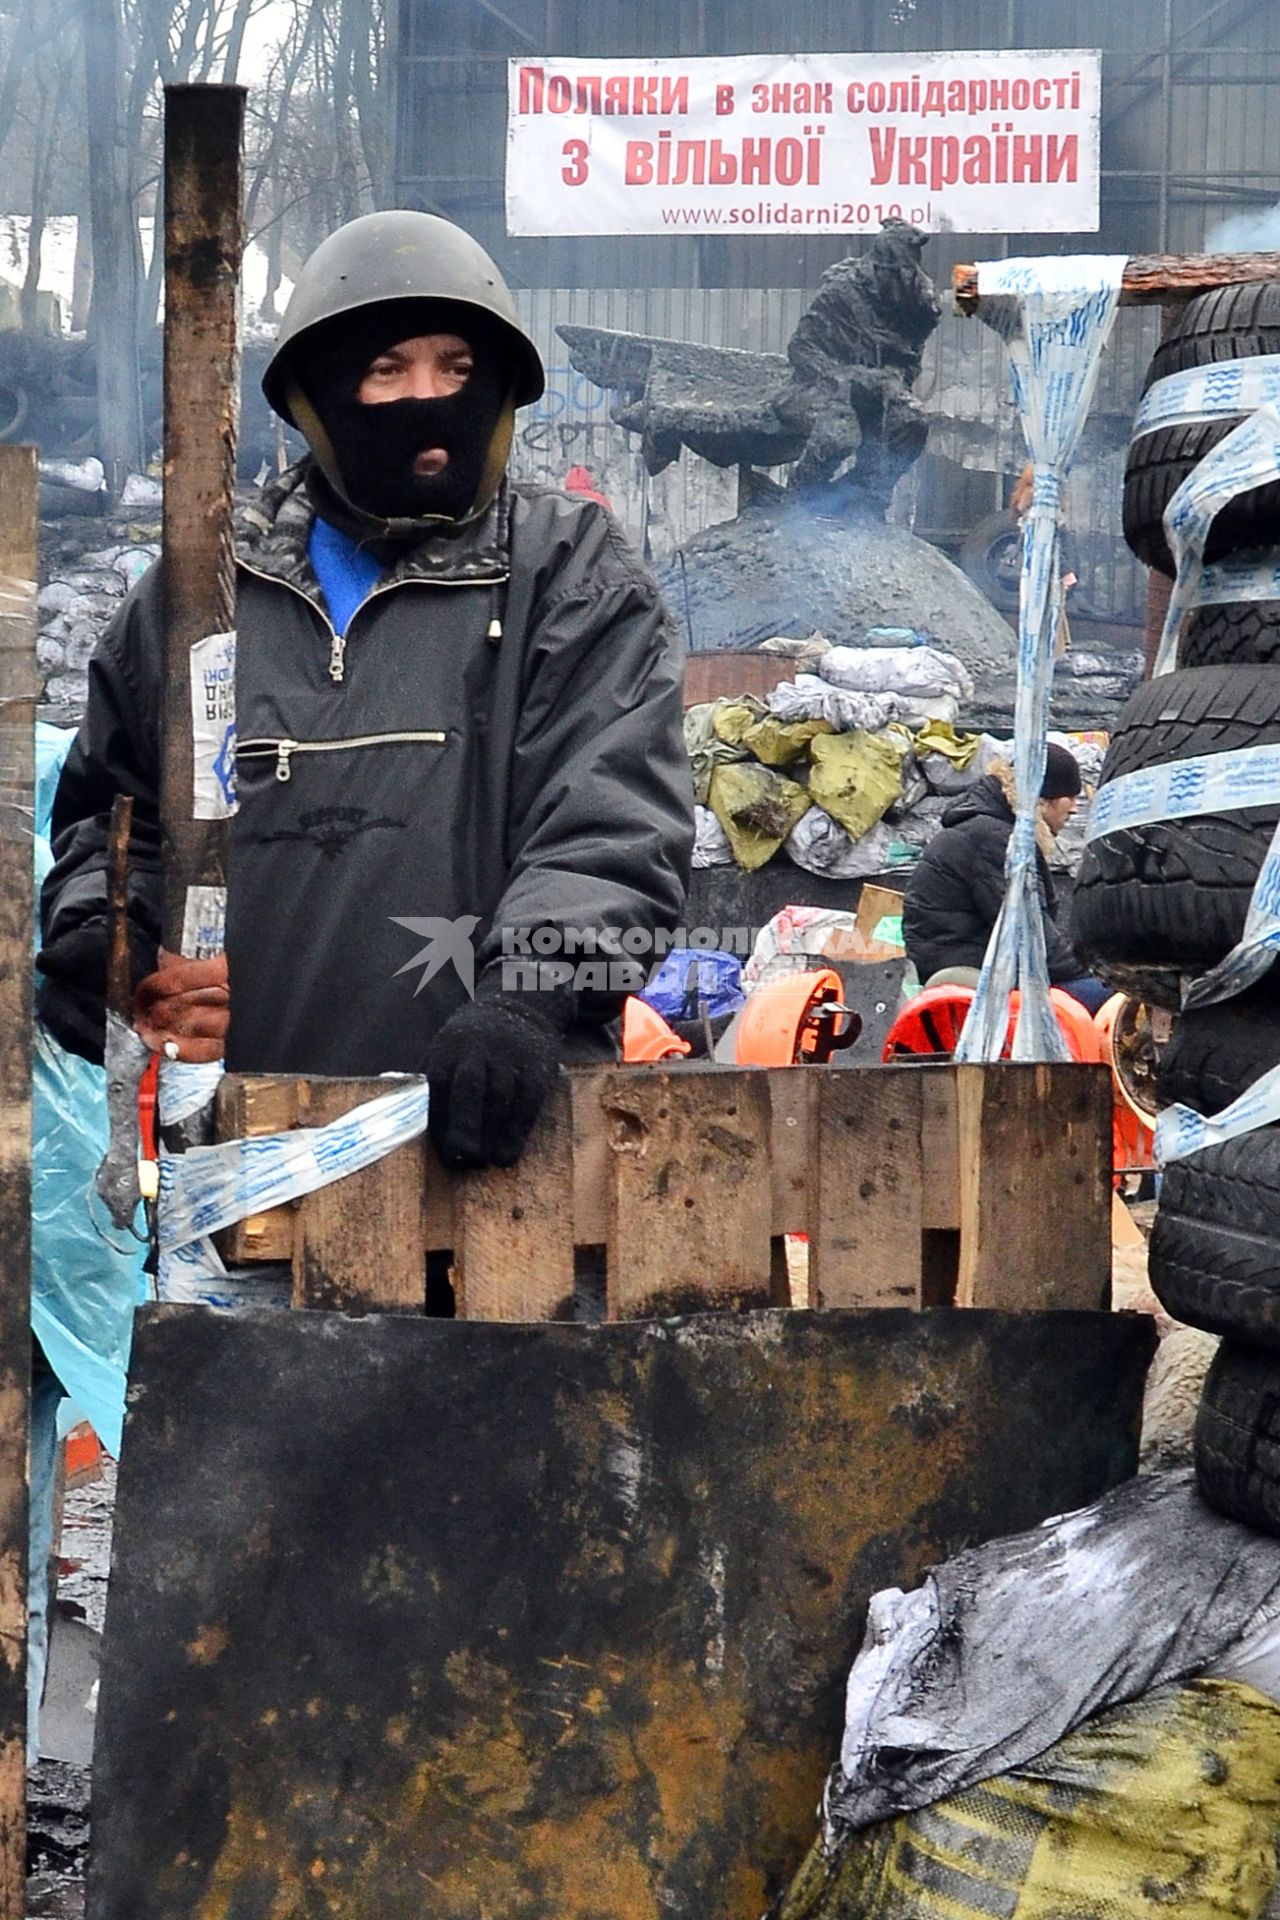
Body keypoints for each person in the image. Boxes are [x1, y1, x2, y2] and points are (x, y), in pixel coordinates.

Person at [38, 211, 694, 1170]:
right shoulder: (199, 595)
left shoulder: (570, 576)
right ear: (317, 399)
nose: (426, 400)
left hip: (504, 1146)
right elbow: (113, 818)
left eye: (457, 369)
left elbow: (614, 822)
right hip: (246, 1149)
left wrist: (525, 1001)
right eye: (387, 370)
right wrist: (105, 938)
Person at [902, 742, 1110, 1015]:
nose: (1073, 809)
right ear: (1042, 801)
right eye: (1069, 798)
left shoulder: (988, 831)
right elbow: (1031, 940)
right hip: (969, 971)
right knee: (1110, 996)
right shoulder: (994, 842)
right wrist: (1103, 972)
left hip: (967, 960)